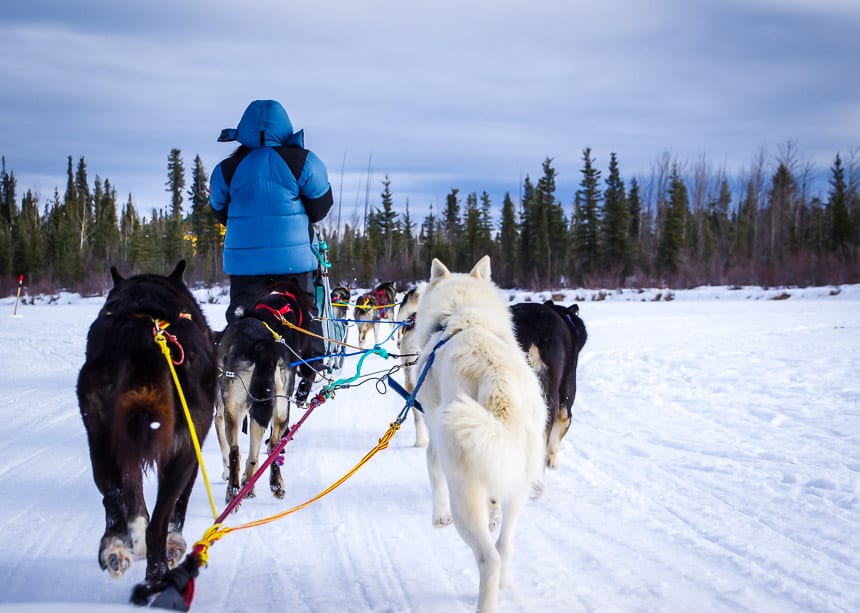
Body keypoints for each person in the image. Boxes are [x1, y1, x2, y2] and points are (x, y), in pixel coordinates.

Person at [210, 99, 334, 402]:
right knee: (303, 315)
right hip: (293, 262)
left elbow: (218, 209)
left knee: (244, 319)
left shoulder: (227, 168)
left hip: (244, 263)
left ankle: (239, 376)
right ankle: (308, 369)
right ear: (284, 128)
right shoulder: (301, 161)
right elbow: (320, 207)